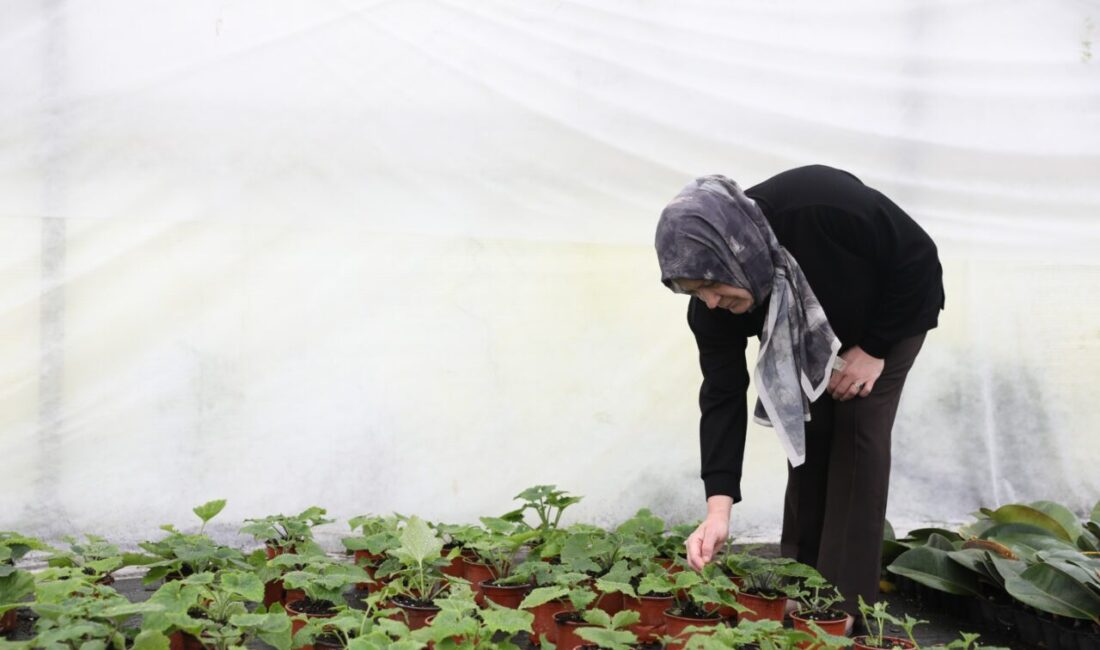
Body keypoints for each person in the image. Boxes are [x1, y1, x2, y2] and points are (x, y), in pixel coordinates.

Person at [653, 165, 944, 618]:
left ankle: (843, 611)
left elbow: (920, 260)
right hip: (809, 333)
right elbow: (722, 396)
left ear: (736, 253)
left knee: (856, 428)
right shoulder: (712, 309)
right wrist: (718, 511)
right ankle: (801, 584)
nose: (709, 300)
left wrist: (875, 348)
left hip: (889, 314)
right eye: (693, 290)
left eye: (711, 284)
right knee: (810, 433)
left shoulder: (818, 205)